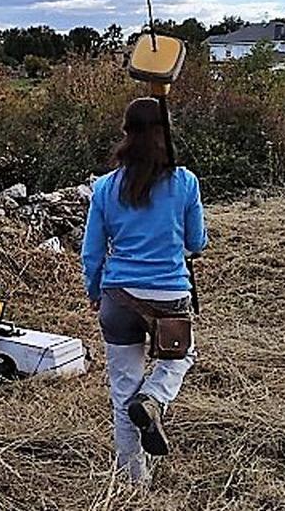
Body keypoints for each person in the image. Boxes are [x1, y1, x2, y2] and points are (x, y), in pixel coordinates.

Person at [80, 97, 208, 484]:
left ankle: (134, 482)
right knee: (181, 357)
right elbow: (196, 241)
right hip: (169, 296)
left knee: (123, 392)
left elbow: (92, 251)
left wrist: (94, 290)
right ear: (165, 133)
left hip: (118, 297)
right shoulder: (185, 182)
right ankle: (154, 398)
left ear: (126, 133)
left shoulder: (104, 187)